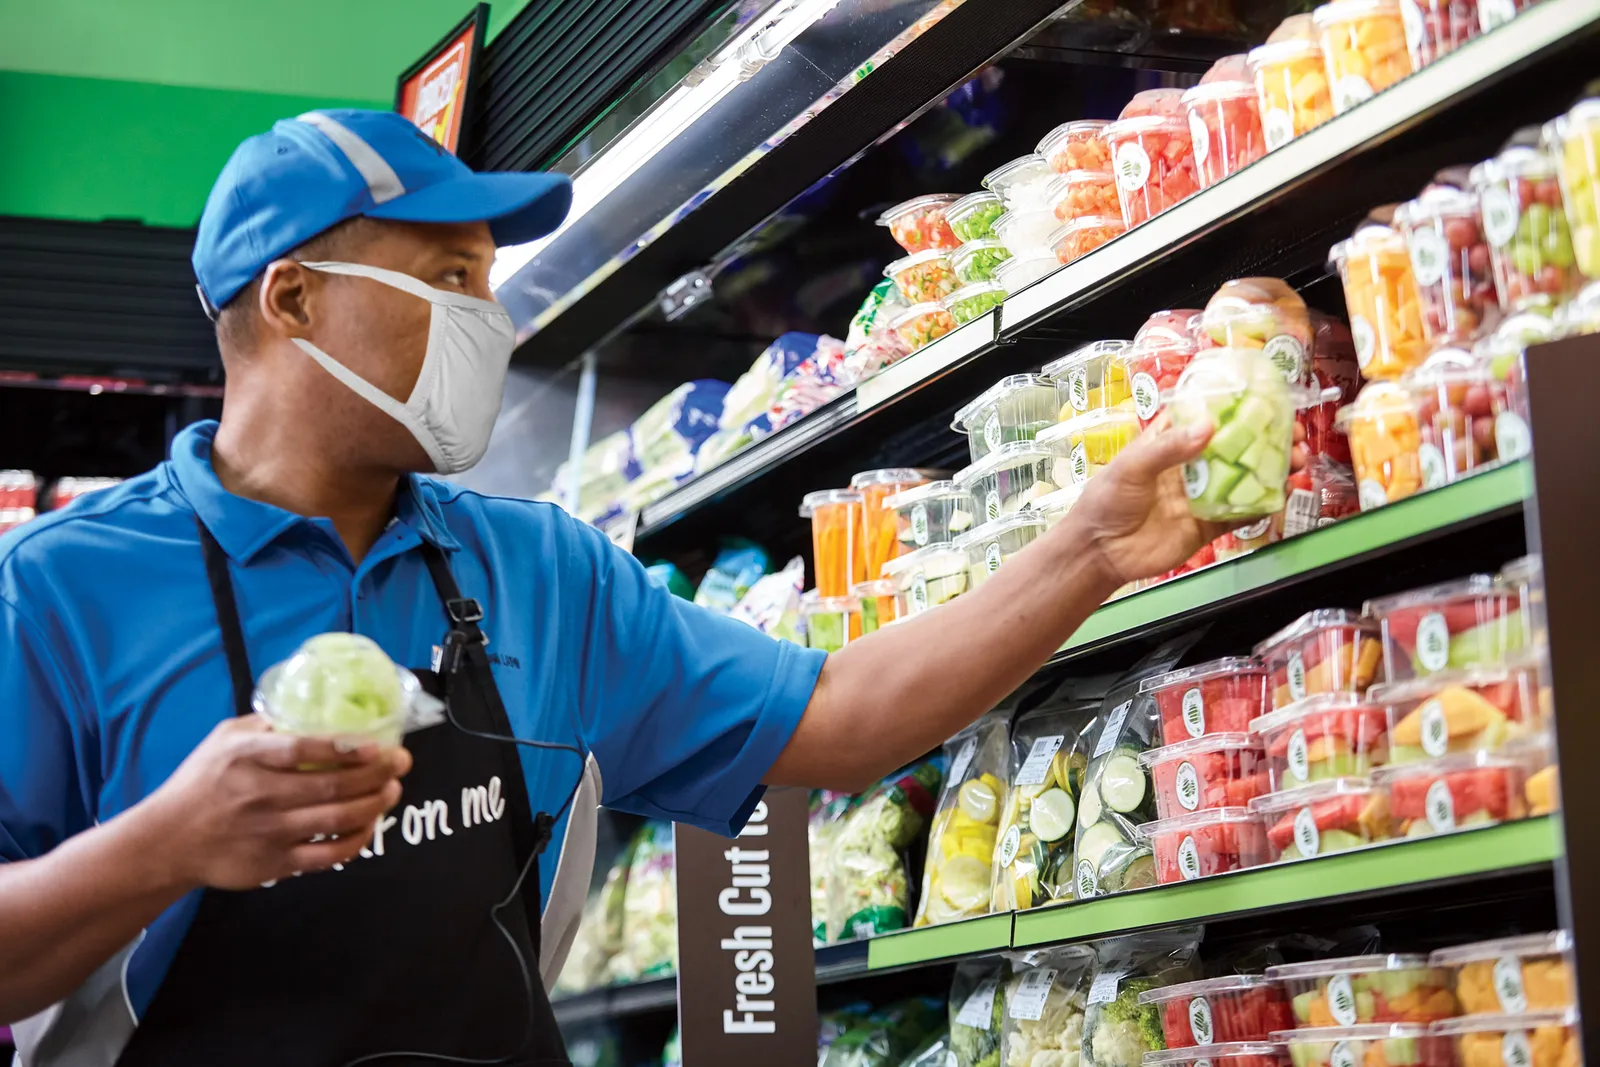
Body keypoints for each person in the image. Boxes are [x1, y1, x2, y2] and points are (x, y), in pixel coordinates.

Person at [0, 109, 1225, 1066]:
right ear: (293, 298)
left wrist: (1089, 551)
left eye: (489, 280)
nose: (489, 320)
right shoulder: (60, 591)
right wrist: (166, 844)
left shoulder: (538, 570)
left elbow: (846, 719)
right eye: (451, 278)